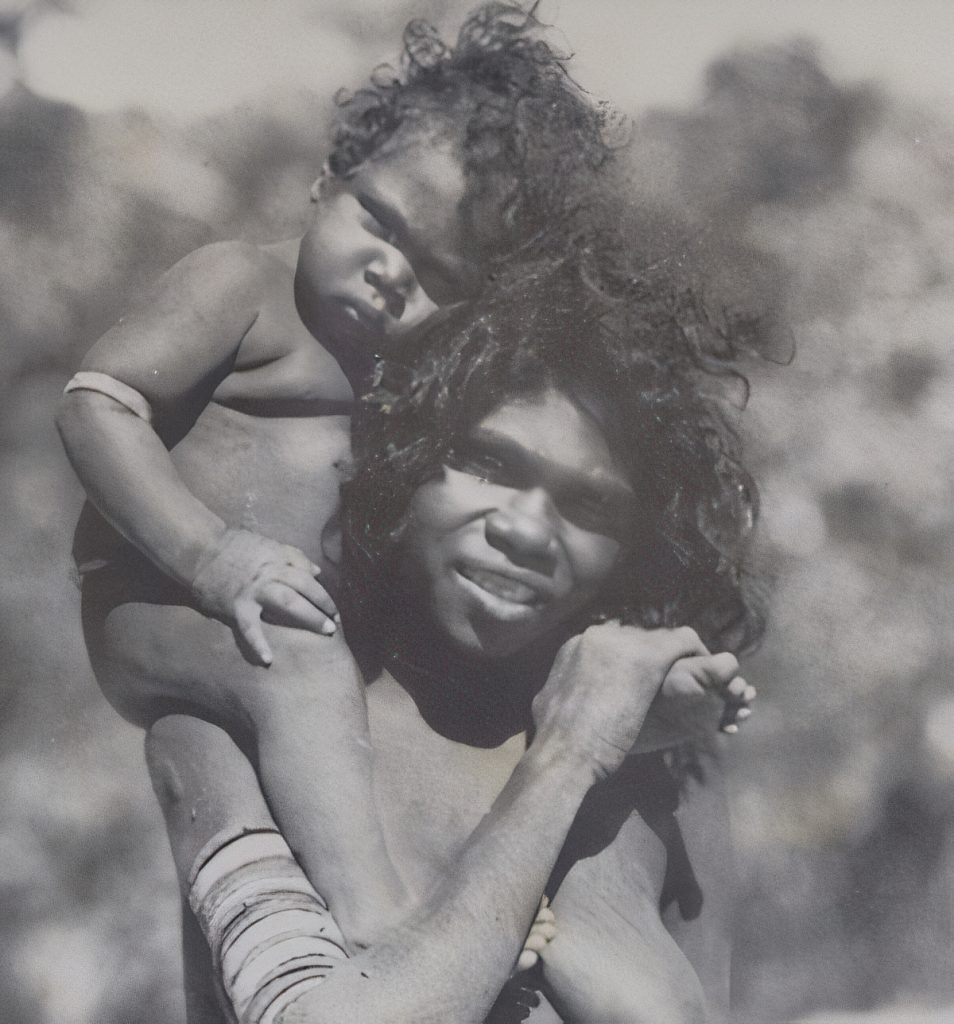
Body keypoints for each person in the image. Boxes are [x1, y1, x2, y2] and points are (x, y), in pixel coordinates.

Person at [55, 2, 625, 947]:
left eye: (441, 273)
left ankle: (450, 891)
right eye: (382, 223)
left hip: (278, 632)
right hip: (154, 598)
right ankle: (380, 919)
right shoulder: (241, 287)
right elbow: (96, 402)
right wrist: (212, 558)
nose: (391, 274)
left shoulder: (413, 370)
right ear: (327, 180)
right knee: (313, 673)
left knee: (391, 708)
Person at [144, 255, 764, 1024]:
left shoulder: (667, 776)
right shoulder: (238, 720)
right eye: (487, 463)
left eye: (591, 506)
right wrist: (565, 759)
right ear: (401, 466)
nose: (526, 530)